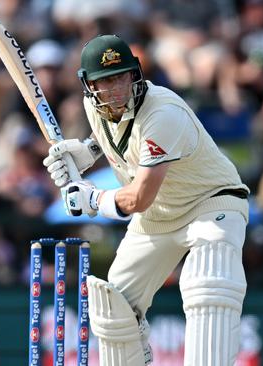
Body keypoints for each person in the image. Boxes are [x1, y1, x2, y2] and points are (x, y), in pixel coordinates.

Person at [44, 34, 250, 365]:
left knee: (208, 287)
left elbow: (139, 196)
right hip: (158, 215)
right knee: (114, 308)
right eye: (103, 81)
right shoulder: (92, 107)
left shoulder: (163, 112)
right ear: (89, 86)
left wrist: (93, 200)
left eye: (119, 77)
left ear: (134, 74)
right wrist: (90, 150)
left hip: (210, 204)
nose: (113, 89)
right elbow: (116, 134)